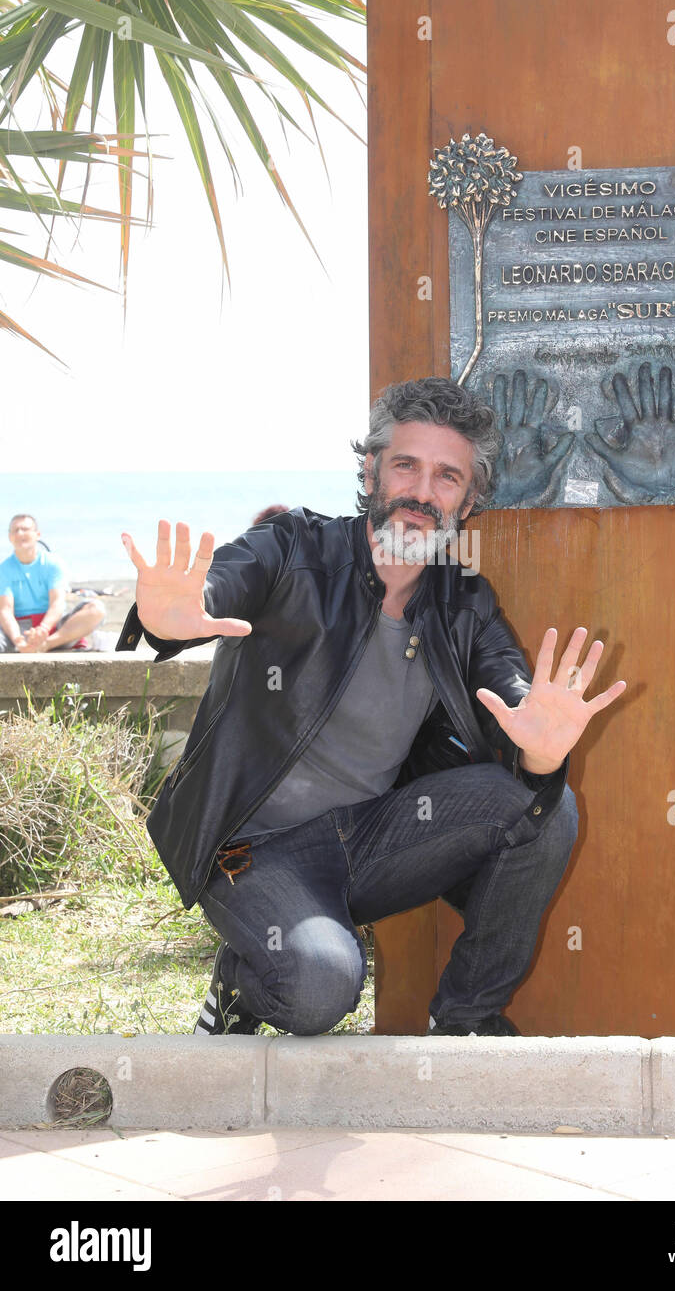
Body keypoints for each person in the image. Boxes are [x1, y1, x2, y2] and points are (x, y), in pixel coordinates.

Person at [116, 377, 627, 1038]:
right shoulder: (292, 548)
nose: (421, 491)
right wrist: (173, 617)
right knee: (317, 993)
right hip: (251, 848)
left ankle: (465, 1019)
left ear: (469, 500)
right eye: (405, 465)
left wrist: (540, 748)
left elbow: (511, 692)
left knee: (545, 802)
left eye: (447, 477)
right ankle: (240, 983)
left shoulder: (462, 601)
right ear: (371, 471)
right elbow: (219, 588)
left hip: (370, 840)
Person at [0, 514, 106, 654]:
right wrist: (18, 640)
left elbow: (57, 603)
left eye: (25, 529)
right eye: (15, 530)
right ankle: (25, 647)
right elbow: (6, 611)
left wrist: (43, 630)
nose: (20, 533)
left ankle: (47, 645)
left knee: (96, 609)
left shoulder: (53, 564)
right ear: (9, 537)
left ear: (37, 534)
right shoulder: (4, 569)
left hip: (54, 628)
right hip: (18, 630)